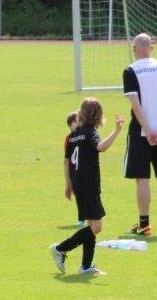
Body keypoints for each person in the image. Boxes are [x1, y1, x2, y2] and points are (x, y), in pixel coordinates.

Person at [50, 98, 124, 275]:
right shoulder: (89, 132)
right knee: (96, 227)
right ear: (98, 115)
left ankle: (86, 266)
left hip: (78, 184)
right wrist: (117, 130)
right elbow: (101, 147)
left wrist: (69, 184)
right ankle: (61, 248)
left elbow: (67, 162)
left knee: (91, 224)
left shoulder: (72, 135)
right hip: (88, 184)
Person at [122, 33, 157, 236]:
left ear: (134, 49)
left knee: (142, 179)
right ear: (152, 49)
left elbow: (136, 106)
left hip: (141, 132)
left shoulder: (131, 70)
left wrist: (147, 131)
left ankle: (144, 224)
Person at [63, 111, 84, 227]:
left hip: (84, 169)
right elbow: (66, 159)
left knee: (84, 194)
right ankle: (82, 219)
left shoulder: (85, 133)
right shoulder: (69, 138)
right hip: (74, 170)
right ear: (70, 124)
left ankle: (85, 218)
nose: (78, 122)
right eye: (75, 121)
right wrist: (68, 182)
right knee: (79, 195)